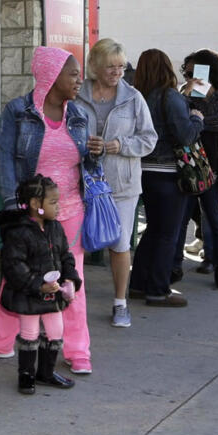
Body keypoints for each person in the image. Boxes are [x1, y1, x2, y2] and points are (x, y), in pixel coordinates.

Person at [0, 47, 91, 372]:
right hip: (30, 213)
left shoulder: (79, 115)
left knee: (71, 280)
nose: (78, 79)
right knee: (16, 276)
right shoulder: (18, 111)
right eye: (72, 73)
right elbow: (6, 159)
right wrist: (15, 209)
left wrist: (96, 153)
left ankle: (77, 350)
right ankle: (1, 342)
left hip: (70, 211)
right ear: (52, 77)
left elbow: (87, 165)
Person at [73, 38, 156, 329]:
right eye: (110, 66)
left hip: (121, 184)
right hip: (79, 182)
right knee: (74, 244)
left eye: (121, 66)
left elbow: (149, 139)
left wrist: (117, 145)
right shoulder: (76, 93)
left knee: (119, 245)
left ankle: (120, 303)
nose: (116, 72)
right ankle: (72, 303)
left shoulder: (133, 98)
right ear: (95, 65)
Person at [130, 49, 202, 307]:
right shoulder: (169, 96)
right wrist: (197, 118)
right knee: (167, 234)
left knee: (153, 230)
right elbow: (186, 136)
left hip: (144, 172)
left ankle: (137, 284)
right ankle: (158, 290)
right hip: (169, 173)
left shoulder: (138, 96)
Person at [0, 175, 80, 394]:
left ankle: (45, 372)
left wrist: (70, 278)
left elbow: (66, 256)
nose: (58, 207)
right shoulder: (18, 232)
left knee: (56, 331)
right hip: (29, 295)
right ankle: (26, 375)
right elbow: (14, 266)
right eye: (53, 202)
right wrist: (37, 285)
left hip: (52, 295)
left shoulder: (55, 228)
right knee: (29, 333)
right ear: (35, 204)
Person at [180, 50, 218, 290]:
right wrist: (186, 93)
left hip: (213, 167)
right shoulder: (189, 94)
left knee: (217, 219)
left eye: (196, 71)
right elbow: (178, 119)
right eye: (189, 72)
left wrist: (198, 119)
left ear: (210, 69)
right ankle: (175, 265)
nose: (193, 76)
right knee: (181, 218)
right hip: (187, 164)